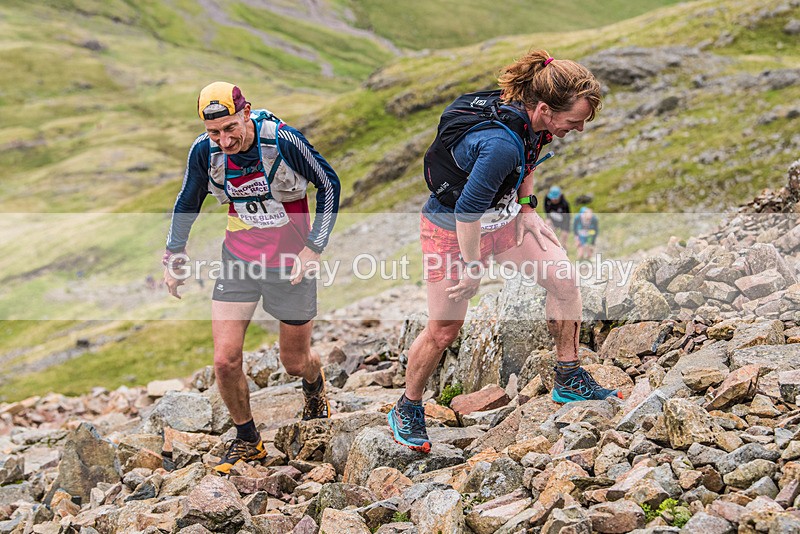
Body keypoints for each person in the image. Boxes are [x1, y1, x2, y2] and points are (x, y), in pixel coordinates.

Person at [388, 50, 621, 453]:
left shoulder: (533, 121)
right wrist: (473, 267)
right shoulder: (499, 145)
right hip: (453, 230)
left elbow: (530, 158)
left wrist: (527, 208)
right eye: (575, 121)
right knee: (444, 330)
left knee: (564, 280)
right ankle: (407, 407)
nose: (580, 128)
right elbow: (467, 212)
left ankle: (568, 376)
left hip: (506, 221)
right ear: (545, 109)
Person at [162, 82, 341, 473]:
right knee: (225, 361)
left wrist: (314, 247)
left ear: (246, 113)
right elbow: (188, 199)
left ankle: (314, 385)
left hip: (291, 264)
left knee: (294, 362)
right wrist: (174, 253)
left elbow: (329, 184)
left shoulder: (283, 141)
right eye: (214, 132)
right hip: (239, 261)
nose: (224, 141)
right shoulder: (204, 151)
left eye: (230, 128)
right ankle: (248, 440)